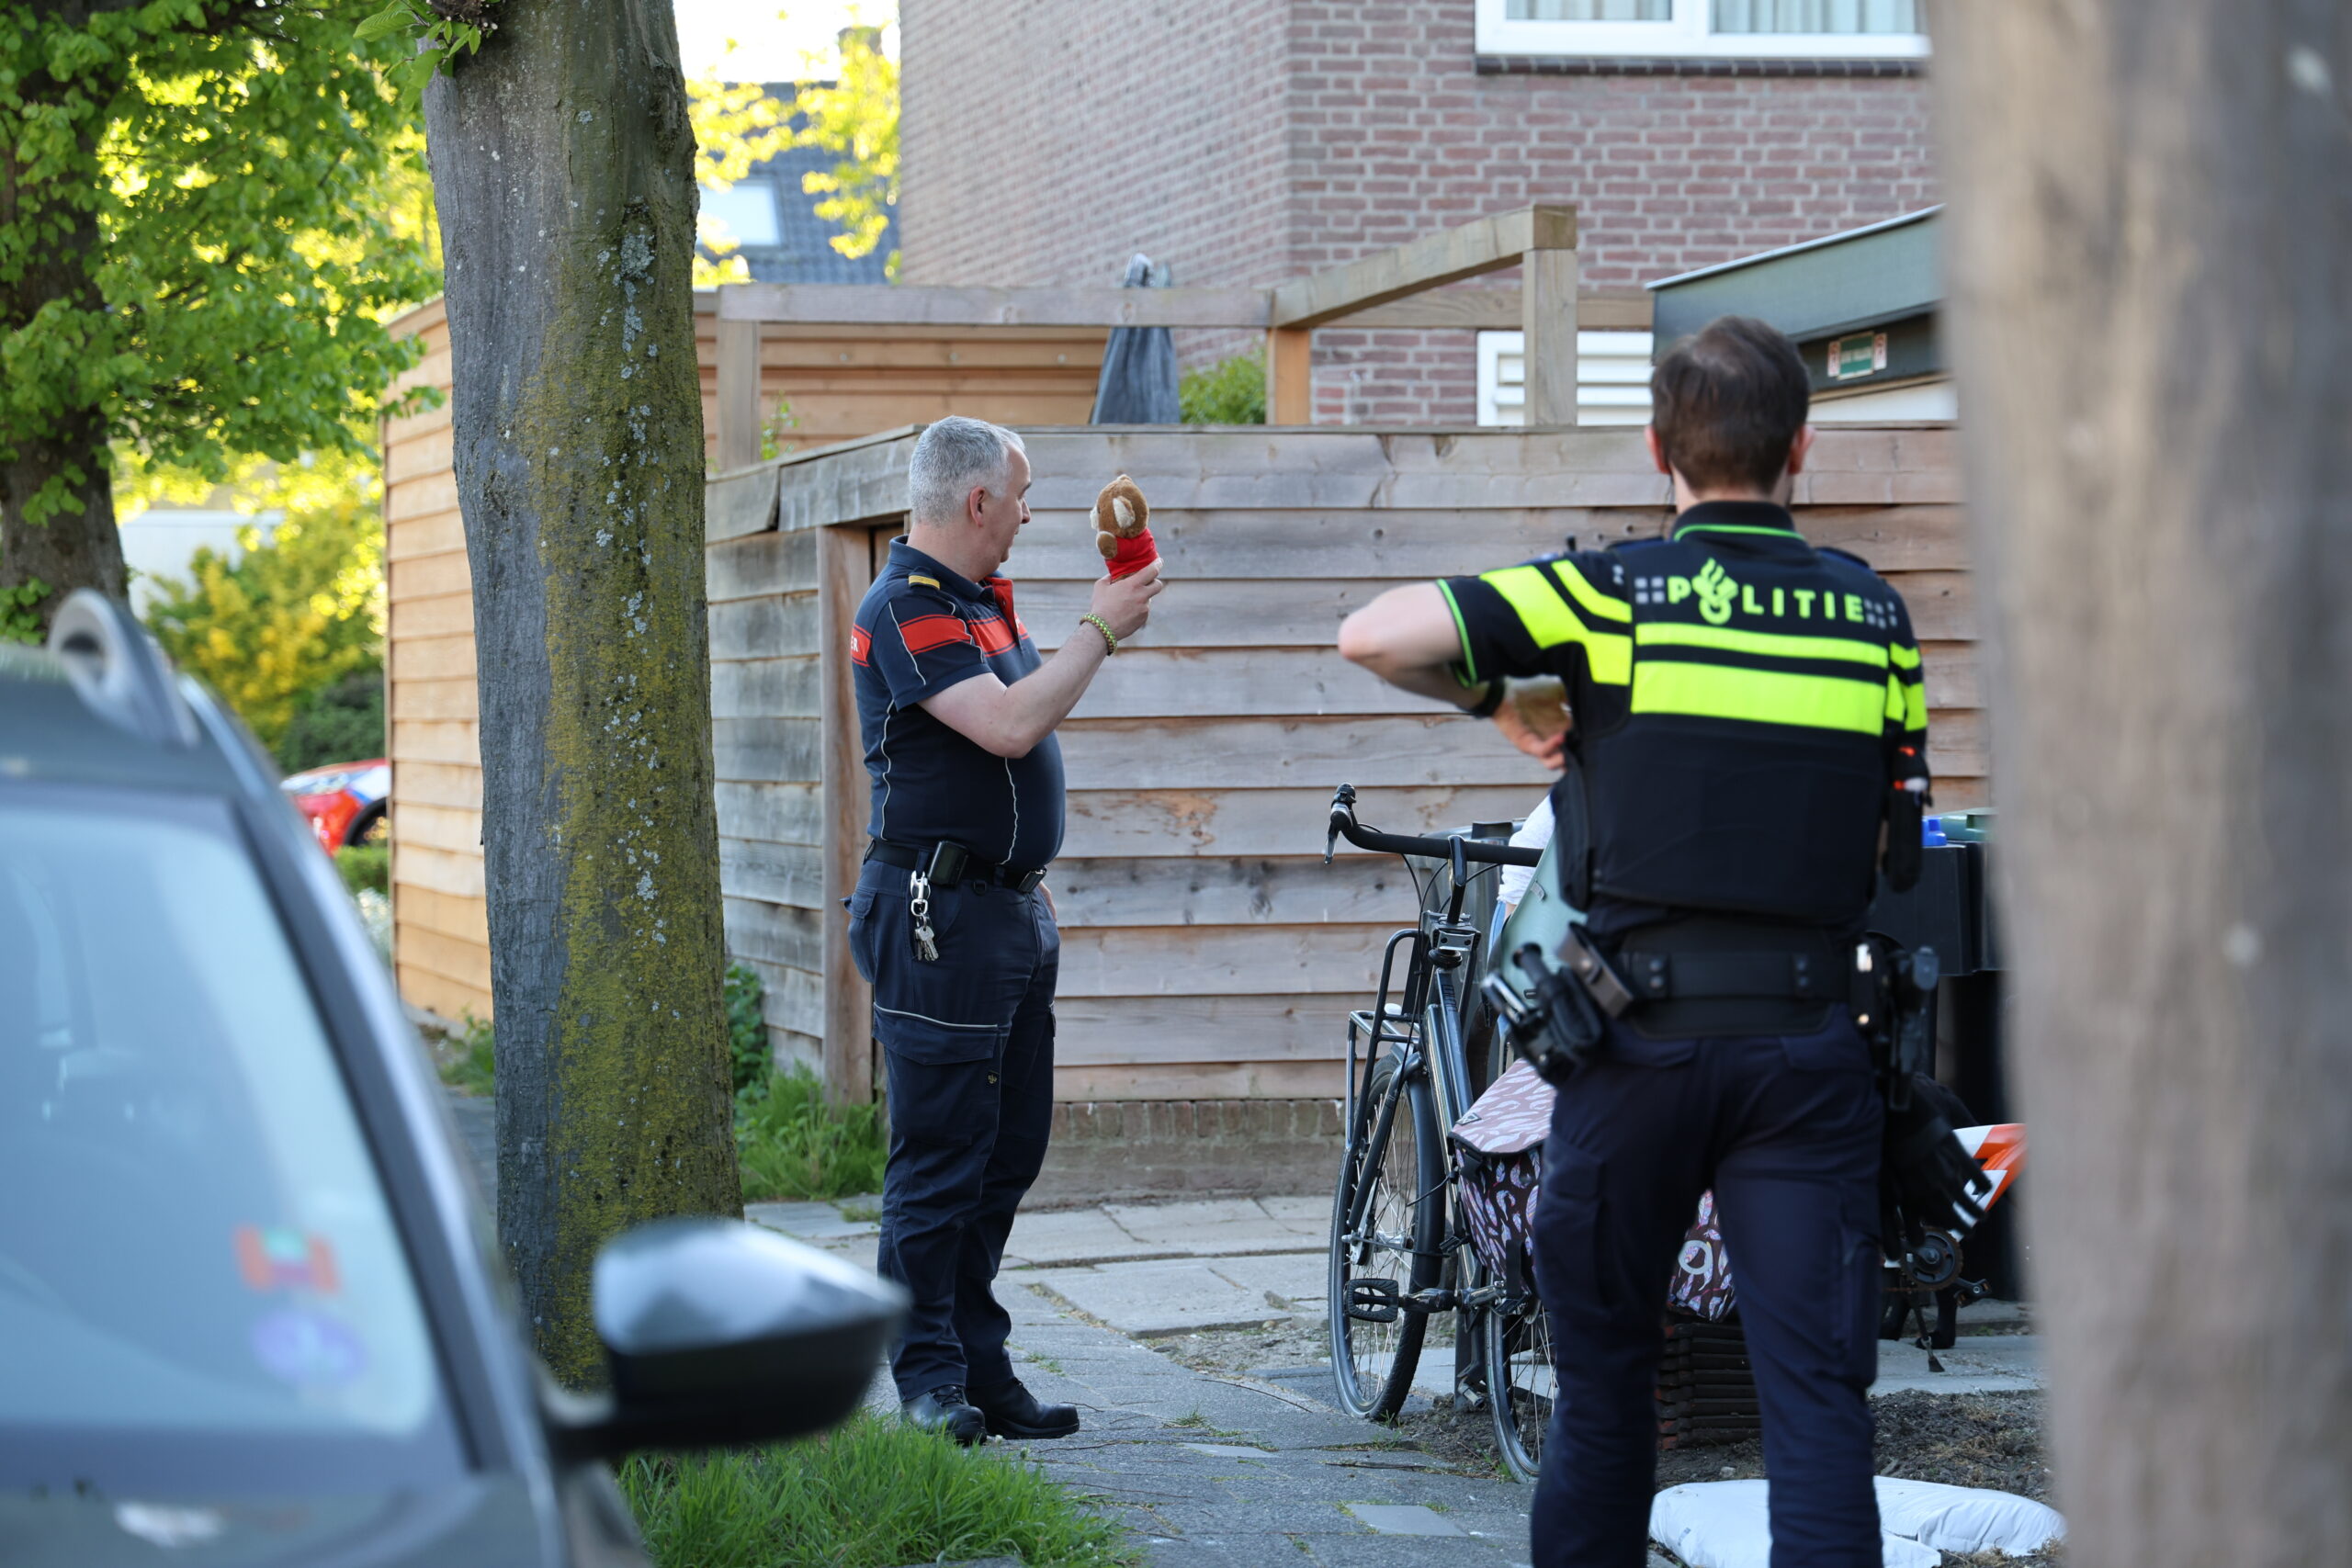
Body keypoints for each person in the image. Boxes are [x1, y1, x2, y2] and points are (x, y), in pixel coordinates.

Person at [1338, 316, 1929, 1568]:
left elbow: (1374, 634)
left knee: (1605, 1391)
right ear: (1801, 449)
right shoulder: (1874, 619)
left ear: (1659, 451)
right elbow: (1899, 852)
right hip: (1808, 1050)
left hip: (1629, 1046)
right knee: (1817, 1405)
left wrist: (1510, 696)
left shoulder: (1606, 596)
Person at [848, 416, 1162, 1445]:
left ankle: (979, 1366)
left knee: (1003, 1154)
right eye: (1020, 496)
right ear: (977, 500)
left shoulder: (979, 603)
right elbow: (1010, 725)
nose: (1030, 514)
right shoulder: (906, 606)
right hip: (937, 920)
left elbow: (1013, 740)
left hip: (1006, 914)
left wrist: (1025, 881)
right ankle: (928, 1381)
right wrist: (1101, 625)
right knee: (940, 1158)